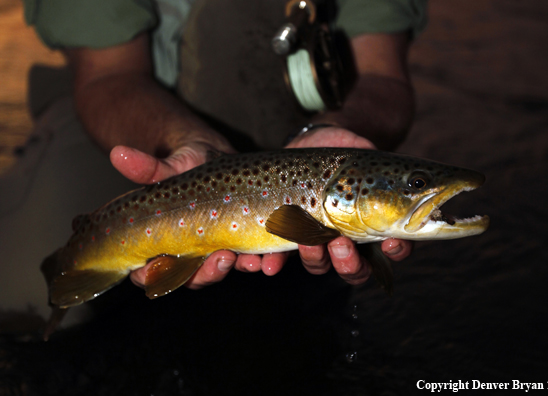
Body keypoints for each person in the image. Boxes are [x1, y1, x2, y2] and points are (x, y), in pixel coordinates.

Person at [1, 0, 426, 325]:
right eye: (416, 185)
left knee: (295, 313)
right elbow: (106, 76)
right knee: (25, 295)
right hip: (128, 106)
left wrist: (333, 129)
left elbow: (383, 77)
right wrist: (187, 140)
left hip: (296, 120)